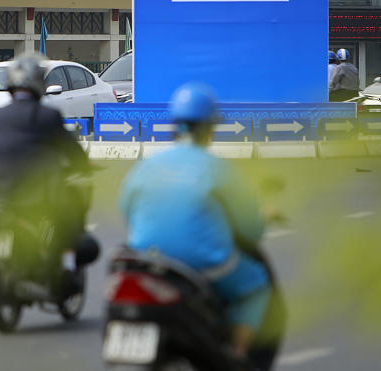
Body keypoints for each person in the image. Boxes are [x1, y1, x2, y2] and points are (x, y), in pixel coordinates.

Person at [119, 83, 278, 361]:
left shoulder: (147, 164)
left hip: (144, 261)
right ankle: (237, 357)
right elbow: (250, 229)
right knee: (256, 287)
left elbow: (127, 210)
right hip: (202, 264)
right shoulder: (218, 168)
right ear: (209, 127)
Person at [0, 54, 92, 292]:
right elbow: (72, 152)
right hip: (37, 193)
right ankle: (66, 267)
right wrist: (83, 166)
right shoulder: (49, 116)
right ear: (39, 84)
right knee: (69, 217)